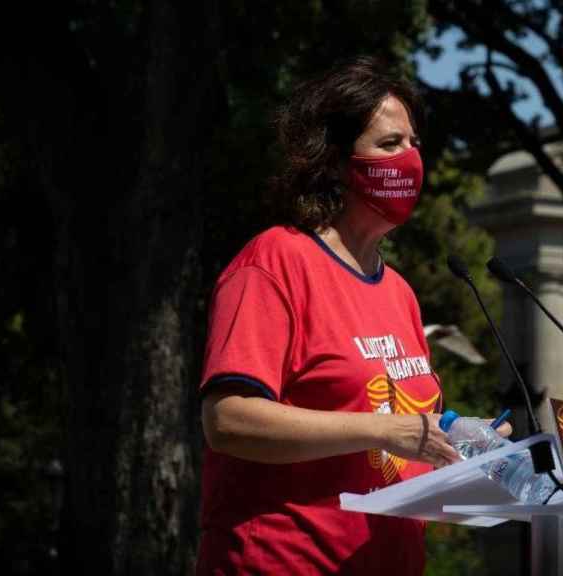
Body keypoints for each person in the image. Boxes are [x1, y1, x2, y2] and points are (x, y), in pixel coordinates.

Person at [195, 56, 508, 575]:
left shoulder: (399, 292)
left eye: (414, 144)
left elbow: (408, 429)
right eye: (389, 145)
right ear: (336, 162)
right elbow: (228, 420)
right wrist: (384, 431)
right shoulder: (274, 262)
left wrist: (472, 444)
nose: (411, 160)